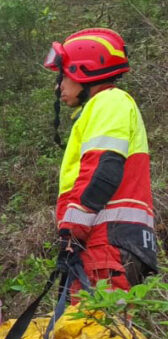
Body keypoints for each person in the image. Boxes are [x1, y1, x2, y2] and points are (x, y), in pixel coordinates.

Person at [43, 28, 158, 293]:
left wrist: (73, 228)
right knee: (89, 327)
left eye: (63, 77)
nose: (58, 86)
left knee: (97, 327)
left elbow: (103, 167)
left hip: (106, 239)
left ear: (84, 70)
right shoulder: (105, 107)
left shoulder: (108, 102)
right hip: (106, 239)